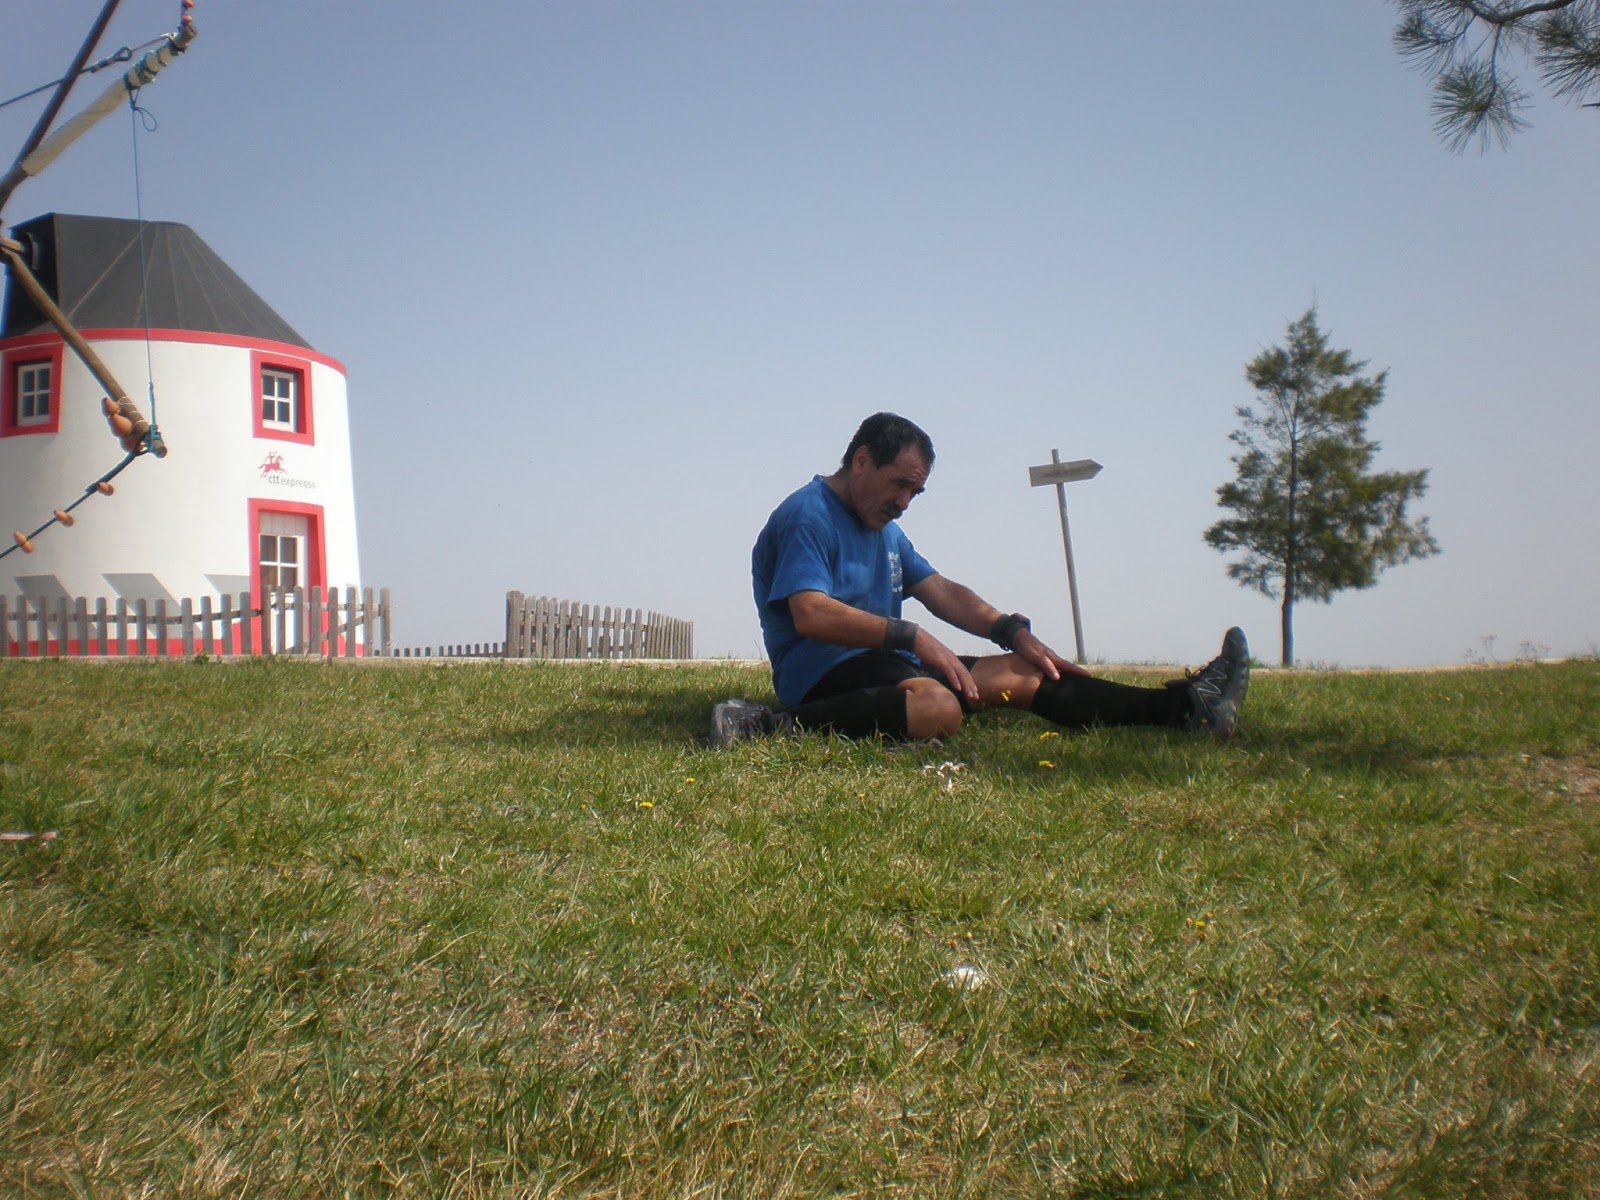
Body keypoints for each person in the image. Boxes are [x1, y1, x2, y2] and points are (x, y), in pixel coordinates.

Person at [711, 412, 1250, 746]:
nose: (904, 502)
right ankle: (766, 726)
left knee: (1027, 673)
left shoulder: (883, 528)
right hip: (819, 674)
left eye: (915, 493)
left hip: (885, 665)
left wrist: (1011, 631)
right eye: (899, 485)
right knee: (937, 708)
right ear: (861, 460)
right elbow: (810, 613)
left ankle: (1187, 709)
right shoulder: (808, 515)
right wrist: (912, 637)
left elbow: (941, 591)